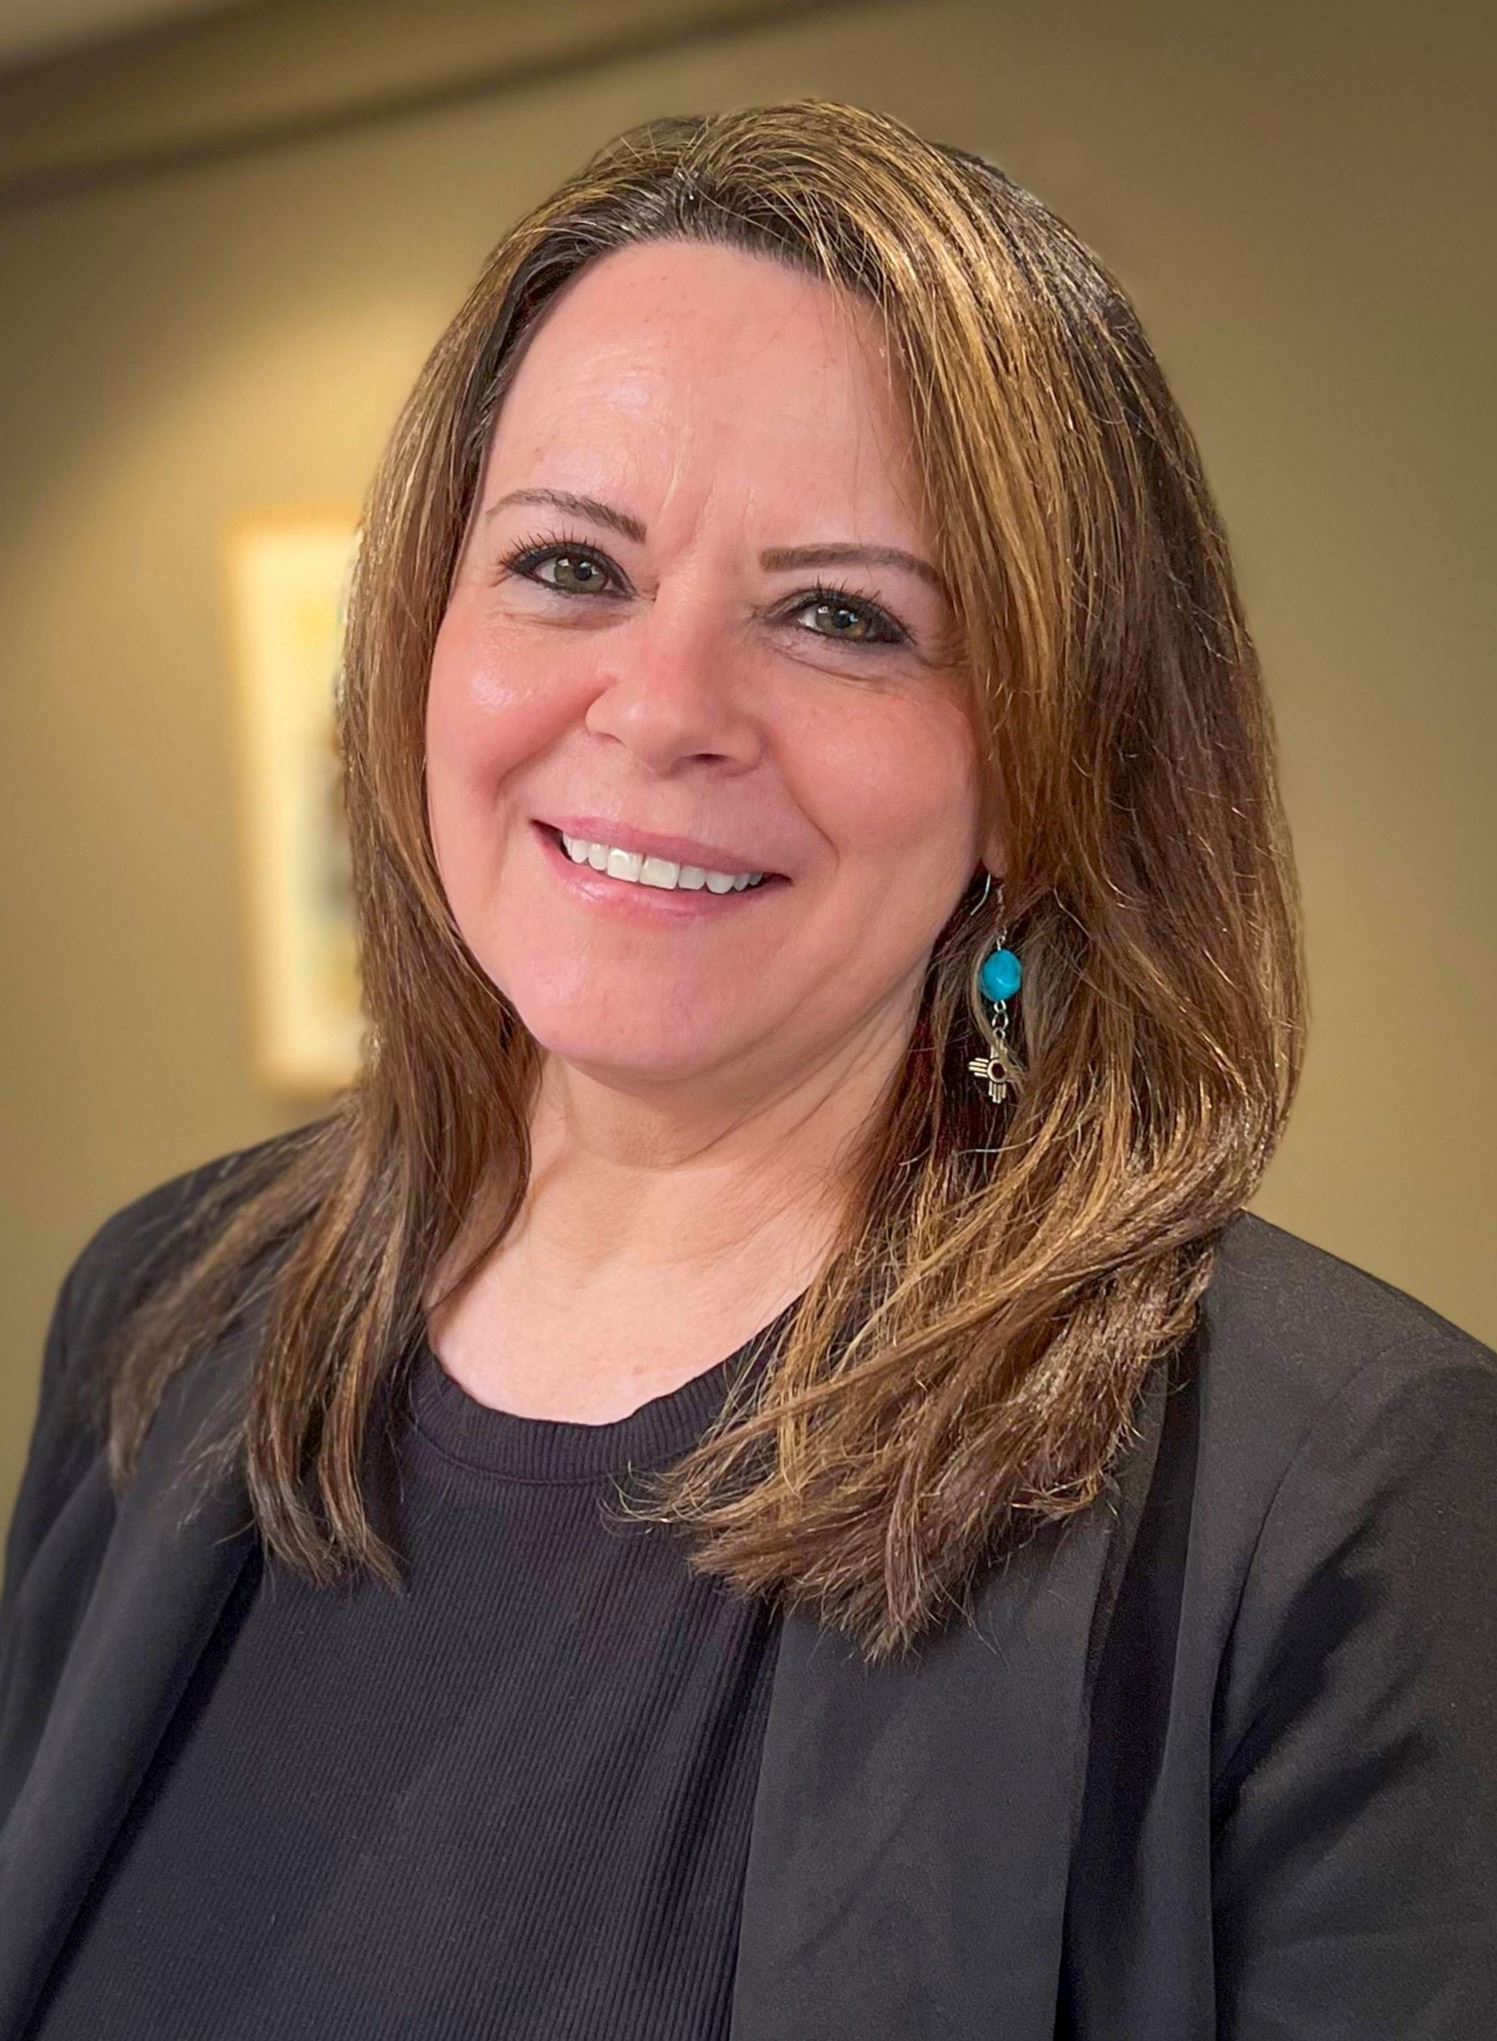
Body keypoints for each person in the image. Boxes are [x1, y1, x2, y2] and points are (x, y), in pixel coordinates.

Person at [1, 96, 1493, 2041]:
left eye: (837, 615)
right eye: (566, 566)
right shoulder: (164, 1308)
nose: (663, 707)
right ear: (422, 637)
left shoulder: (1340, 1495)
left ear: (1045, 758)